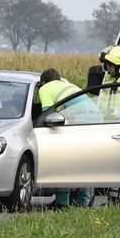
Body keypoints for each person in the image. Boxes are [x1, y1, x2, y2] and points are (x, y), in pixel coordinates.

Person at [37, 69, 95, 208]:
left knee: (64, 163)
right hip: (96, 125)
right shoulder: (70, 86)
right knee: (83, 166)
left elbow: (47, 114)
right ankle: (83, 203)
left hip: (78, 126)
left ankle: (62, 202)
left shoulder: (45, 88)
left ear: (44, 82)